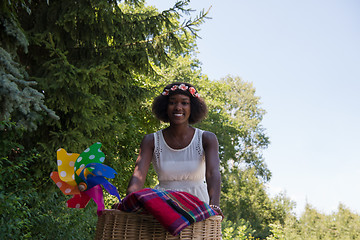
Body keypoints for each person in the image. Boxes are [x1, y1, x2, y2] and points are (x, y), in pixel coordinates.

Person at [126, 82, 222, 216]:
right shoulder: (151, 141)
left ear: (192, 107)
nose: (178, 107)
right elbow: (138, 176)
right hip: (164, 206)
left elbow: (213, 173)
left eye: (184, 103)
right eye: (172, 102)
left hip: (199, 206)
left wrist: (214, 205)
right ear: (165, 106)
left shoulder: (206, 138)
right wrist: (128, 202)